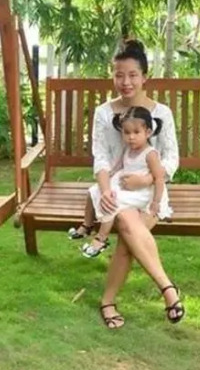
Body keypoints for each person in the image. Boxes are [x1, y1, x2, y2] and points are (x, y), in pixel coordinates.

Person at [68, 39, 184, 329]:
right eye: (119, 75)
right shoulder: (104, 113)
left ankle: (109, 301)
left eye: (133, 75)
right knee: (125, 224)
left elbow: (171, 159)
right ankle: (168, 291)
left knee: (127, 234)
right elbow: (101, 157)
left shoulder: (161, 113)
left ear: (145, 77)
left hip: (150, 193)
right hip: (116, 190)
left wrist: (147, 178)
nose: (126, 82)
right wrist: (106, 189)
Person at [81, 106, 172, 258]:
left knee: (113, 201)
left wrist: (156, 202)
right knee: (94, 191)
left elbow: (159, 178)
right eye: (127, 132)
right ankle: (87, 224)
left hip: (142, 191)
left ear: (148, 132)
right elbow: (120, 164)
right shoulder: (129, 148)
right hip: (124, 182)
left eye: (136, 132)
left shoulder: (150, 154)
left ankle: (101, 238)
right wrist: (111, 173)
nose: (131, 137)